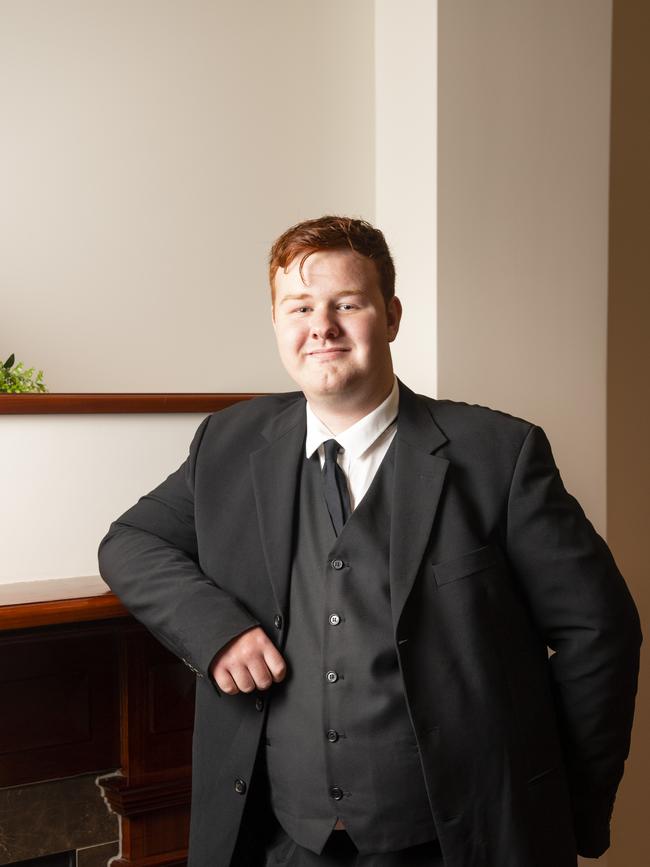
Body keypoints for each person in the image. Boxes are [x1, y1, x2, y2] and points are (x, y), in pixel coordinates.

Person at [98, 215, 642, 867]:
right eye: (299, 307)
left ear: (391, 315)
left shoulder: (499, 454)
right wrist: (216, 630)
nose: (321, 326)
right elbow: (130, 543)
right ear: (277, 323)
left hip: (455, 842)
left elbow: (600, 629)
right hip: (278, 839)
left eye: (346, 304)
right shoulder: (228, 442)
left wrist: (567, 804)